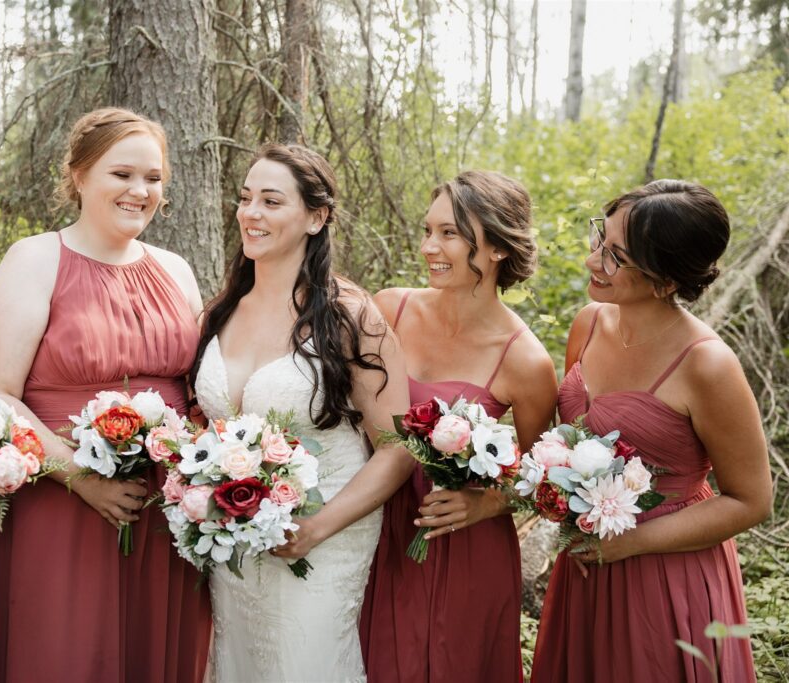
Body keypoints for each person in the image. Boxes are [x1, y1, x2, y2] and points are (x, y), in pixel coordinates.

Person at [0, 107, 210, 682]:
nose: (140, 191)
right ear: (79, 176)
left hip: (163, 511)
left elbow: (199, 389)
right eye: (121, 174)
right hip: (62, 504)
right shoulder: (34, 260)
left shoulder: (176, 270)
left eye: (153, 179)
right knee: (66, 653)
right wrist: (80, 479)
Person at [532, 179, 771, 682]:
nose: (594, 260)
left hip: (666, 573)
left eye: (617, 255)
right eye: (600, 238)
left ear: (666, 280)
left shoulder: (707, 365)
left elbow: (751, 499)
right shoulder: (589, 323)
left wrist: (627, 544)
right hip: (586, 561)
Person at [191, 143, 414, 682]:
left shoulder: (350, 315)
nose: (251, 213)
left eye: (271, 201)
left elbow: (399, 447)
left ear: (316, 217)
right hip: (236, 542)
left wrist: (316, 528)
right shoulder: (222, 310)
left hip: (327, 537)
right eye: (246, 198)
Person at [359, 170, 557, 682]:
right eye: (428, 230)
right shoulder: (388, 308)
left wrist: (484, 502)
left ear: (496, 247)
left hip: (461, 544)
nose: (429, 246)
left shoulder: (525, 360)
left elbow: (540, 478)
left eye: (449, 233)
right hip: (375, 526)